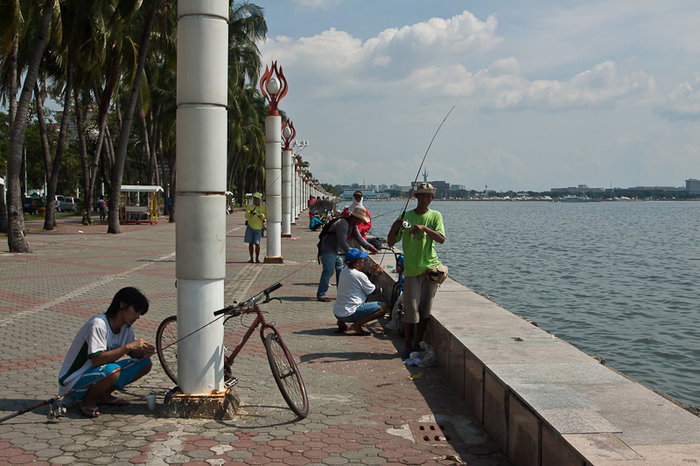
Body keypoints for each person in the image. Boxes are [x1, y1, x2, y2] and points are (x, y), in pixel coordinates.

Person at [57, 287, 155, 418]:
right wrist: (127, 347)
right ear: (122, 305)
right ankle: (87, 401)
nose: (137, 317)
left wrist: (144, 351)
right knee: (113, 371)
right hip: (74, 381)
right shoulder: (98, 324)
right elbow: (97, 360)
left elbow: (133, 354)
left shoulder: (126, 327)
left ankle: (103, 395)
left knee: (145, 363)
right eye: (136, 311)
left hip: (100, 374)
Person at [387, 182, 445, 359]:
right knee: (411, 310)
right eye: (422, 195)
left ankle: (416, 344)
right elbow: (390, 242)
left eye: (429, 196)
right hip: (411, 271)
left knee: (425, 311)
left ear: (432, 198)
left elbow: (441, 239)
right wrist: (395, 226)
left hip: (429, 269)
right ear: (416, 197)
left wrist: (425, 229)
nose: (425, 199)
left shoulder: (435, 216)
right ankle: (406, 346)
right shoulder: (407, 217)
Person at [317, 206, 378, 302]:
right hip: (328, 248)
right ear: (355, 217)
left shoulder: (352, 225)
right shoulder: (343, 224)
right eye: (361, 220)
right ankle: (321, 294)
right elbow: (342, 242)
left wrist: (369, 247)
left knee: (340, 270)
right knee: (328, 270)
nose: (362, 222)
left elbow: (359, 238)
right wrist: (353, 253)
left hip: (337, 249)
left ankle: (341, 292)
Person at [333, 248, 387, 335]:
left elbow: (359, 278)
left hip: (337, 312)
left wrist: (370, 272)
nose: (364, 262)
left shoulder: (344, 271)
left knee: (349, 297)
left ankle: (341, 322)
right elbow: (373, 291)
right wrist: (376, 275)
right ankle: (357, 325)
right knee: (383, 307)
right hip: (349, 313)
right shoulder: (359, 275)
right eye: (362, 260)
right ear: (357, 262)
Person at [244, 192, 266, 263]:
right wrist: (250, 212)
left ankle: (257, 258)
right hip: (250, 226)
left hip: (258, 228)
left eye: (257, 199)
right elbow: (246, 216)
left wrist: (262, 216)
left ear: (259, 200)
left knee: (257, 243)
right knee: (250, 243)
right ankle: (251, 258)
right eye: (254, 199)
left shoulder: (263, 207)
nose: (255, 200)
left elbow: (265, 216)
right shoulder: (250, 206)